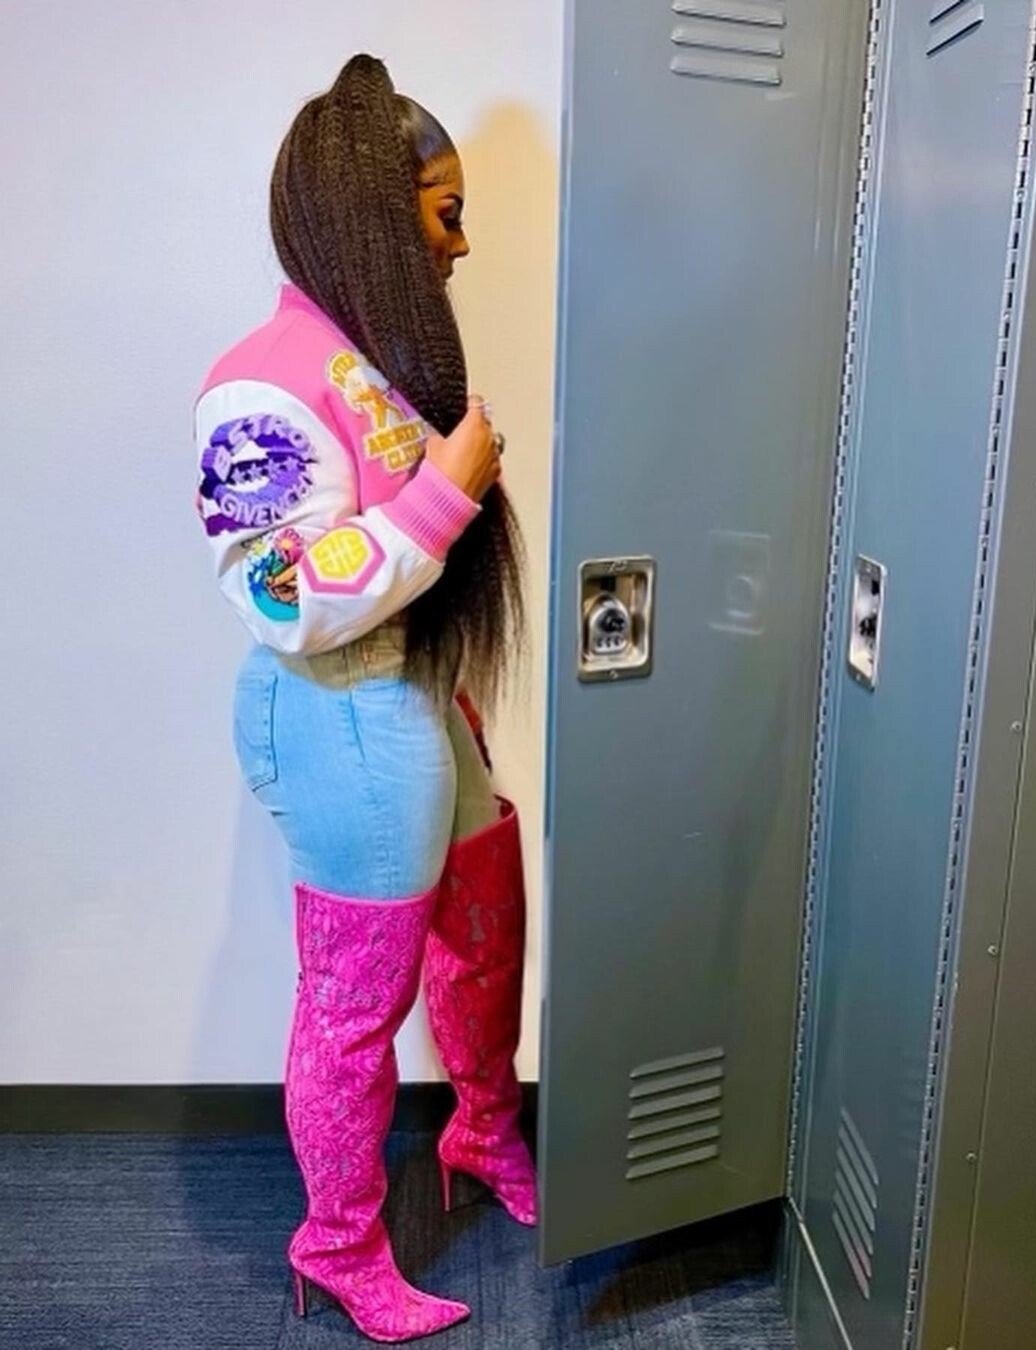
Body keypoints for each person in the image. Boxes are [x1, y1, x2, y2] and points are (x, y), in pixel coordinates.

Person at [193, 53, 533, 1343]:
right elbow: (279, 592)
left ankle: (482, 1131)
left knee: (486, 920)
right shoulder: (259, 383)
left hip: (421, 692)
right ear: (378, 215)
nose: (462, 241)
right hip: (338, 712)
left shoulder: (376, 354)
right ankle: (335, 1246)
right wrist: (447, 491)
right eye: (445, 212)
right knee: (355, 1008)